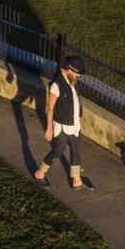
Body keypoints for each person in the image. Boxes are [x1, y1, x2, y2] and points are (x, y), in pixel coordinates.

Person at [34, 55, 87, 189]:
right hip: (62, 127)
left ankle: (76, 180)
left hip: (74, 125)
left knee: (76, 150)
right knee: (57, 151)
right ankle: (40, 173)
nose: (78, 76)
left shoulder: (70, 82)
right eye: (76, 73)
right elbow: (50, 107)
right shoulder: (56, 85)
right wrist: (49, 128)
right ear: (69, 69)